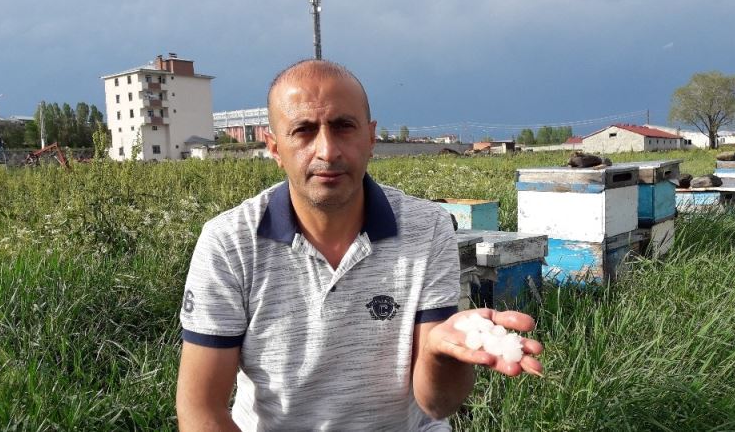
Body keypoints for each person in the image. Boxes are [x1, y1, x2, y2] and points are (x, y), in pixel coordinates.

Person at [176, 59, 543, 431]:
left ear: (370, 137)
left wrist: (440, 354)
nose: (327, 151)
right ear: (274, 148)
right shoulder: (230, 243)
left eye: (343, 127)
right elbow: (200, 409)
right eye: (303, 131)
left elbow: (437, 404)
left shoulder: (428, 228)